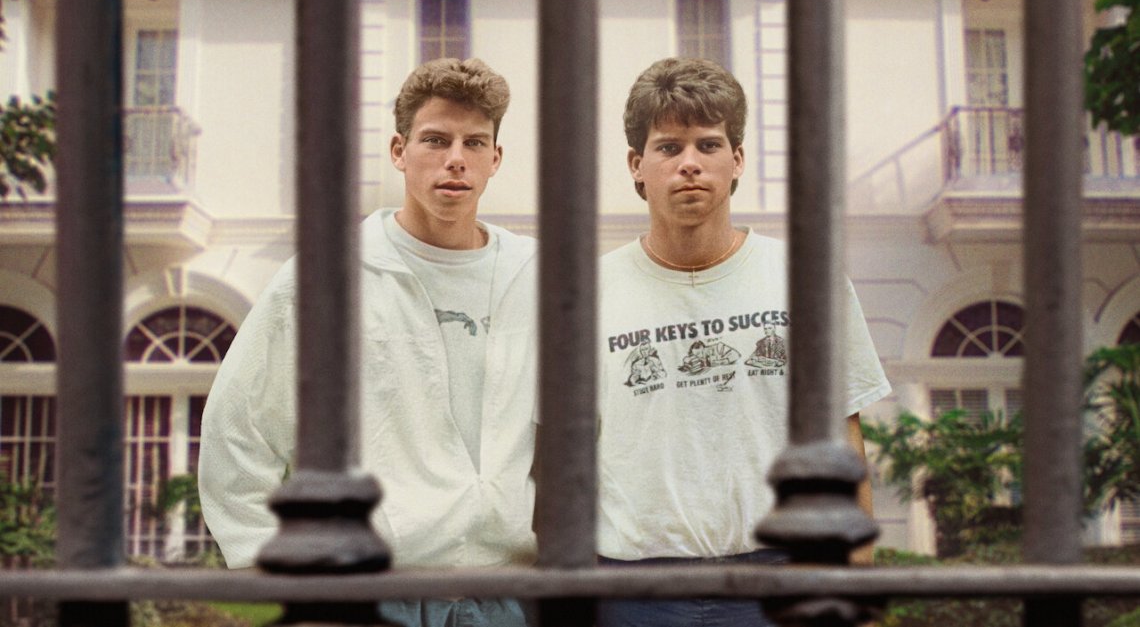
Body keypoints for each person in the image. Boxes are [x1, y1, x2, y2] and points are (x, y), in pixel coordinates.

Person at [199, 58, 538, 627]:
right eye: (436, 140)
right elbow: (238, 427)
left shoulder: (533, 273)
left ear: (495, 158)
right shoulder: (331, 273)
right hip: (373, 597)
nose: (456, 158)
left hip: (507, 597)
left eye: (474, 143)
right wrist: (278, 567)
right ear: (399, 150)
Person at [596, 57, 892, 627]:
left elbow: (841, 435)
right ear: (637, 165)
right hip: (634, 589)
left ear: (737, 160)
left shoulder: (804, 276)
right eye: (668, 147)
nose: (689, 164)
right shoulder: (590, 293)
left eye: (708, 145)